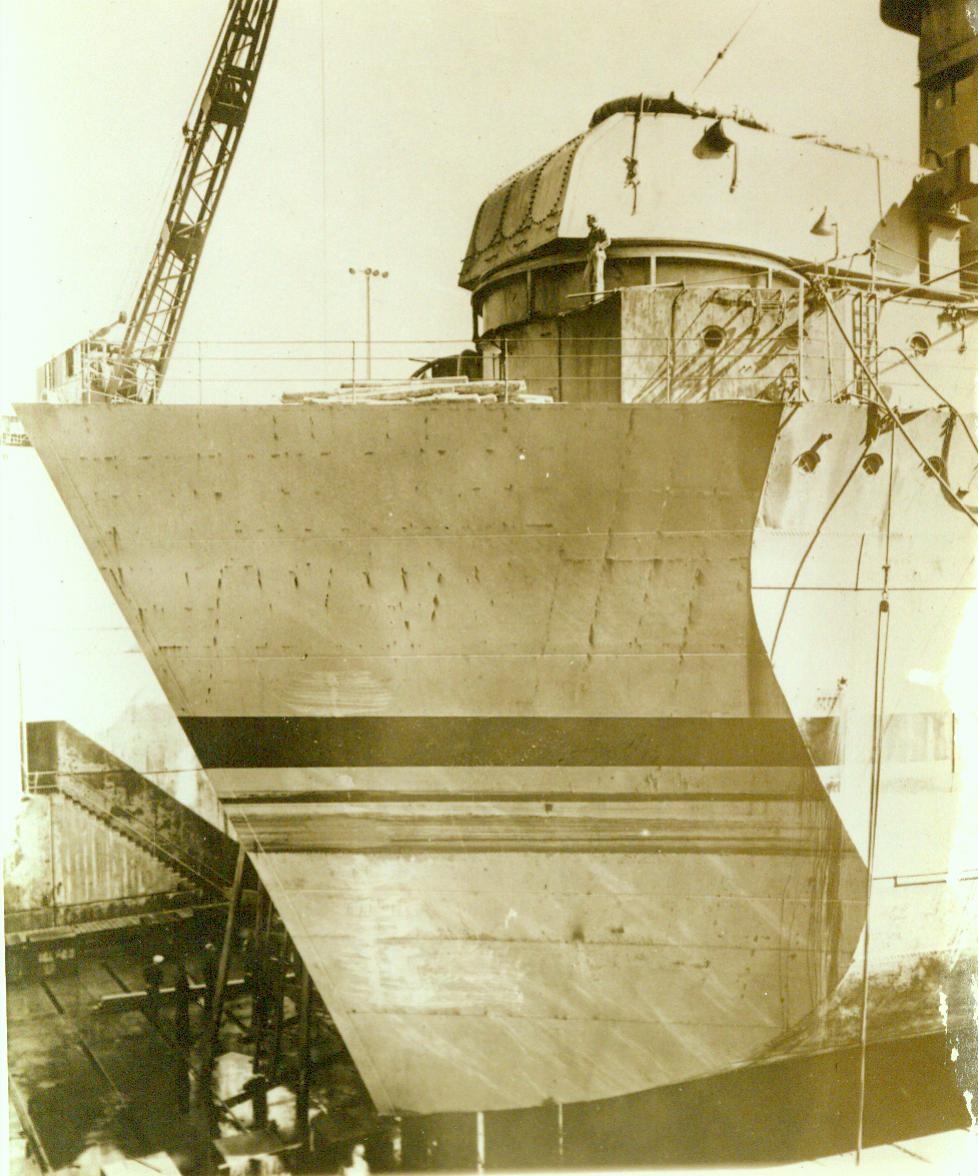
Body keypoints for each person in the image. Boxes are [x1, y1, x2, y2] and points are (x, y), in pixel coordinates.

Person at [583, 213, 611, 296]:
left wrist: (599, 248)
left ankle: (598, 295)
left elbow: (608, 241)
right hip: (591, 255)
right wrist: (588, 254)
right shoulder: (591, 233)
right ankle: (591, 296)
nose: (587, 222)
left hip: (598, 254)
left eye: (589, 220)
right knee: (587, 276)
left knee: (597, 276)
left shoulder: (601, 229)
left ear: (593, 220)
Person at [143, 953, 164, 1022]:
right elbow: (160, 979)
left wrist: (147, 982)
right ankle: (154, 1016)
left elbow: (144, 975)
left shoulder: (147, 967)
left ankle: (149, 1015)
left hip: (148, 986)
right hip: (155, 987)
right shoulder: (159, 969)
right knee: (155, 1001)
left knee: (149, 1000)